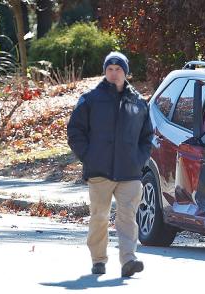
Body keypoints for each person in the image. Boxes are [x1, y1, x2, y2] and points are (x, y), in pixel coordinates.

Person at [67, 51, 153, 277]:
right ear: (105, 71)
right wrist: (89, 156)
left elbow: (147, 136)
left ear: (126, 72)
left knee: (127, 218)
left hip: (130, 172)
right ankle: (98, 260)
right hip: (100, 171)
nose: (114, 74)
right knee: (100, 217)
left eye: (119, 70)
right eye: (110, 69)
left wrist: (139, 160)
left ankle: (129, 260)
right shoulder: (90, 99)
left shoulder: (138, 102)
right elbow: (75, 131)